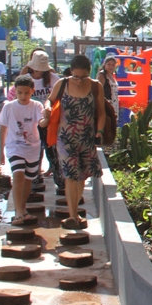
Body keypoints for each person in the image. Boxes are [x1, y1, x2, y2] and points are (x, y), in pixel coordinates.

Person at [47, 54, 107, 229]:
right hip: (65, 137)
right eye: (76, 76)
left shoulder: (95, 86)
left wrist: (99, 132)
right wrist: (46, 110)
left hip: (87, 137)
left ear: (89, 72)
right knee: (70, 175)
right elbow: (50, 101)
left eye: (83, 77)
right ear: (71, 72)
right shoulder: (62, 84)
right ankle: (72, 215)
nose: (79, 80)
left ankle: (75, 211)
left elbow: (101, 112)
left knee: (81, 176)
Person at [0, 74, 51, 224]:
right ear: (15, 91)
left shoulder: (36, 106)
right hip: (14, 147)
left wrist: (47, 118)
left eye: (26, 93)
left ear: (32, 91)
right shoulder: (8, 107)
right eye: (20, 92)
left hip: (32, 148)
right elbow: (3, 128)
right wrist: (1, 151)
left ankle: (22, 209)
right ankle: (18, 213)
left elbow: (41, 123)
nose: (23, 96)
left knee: (28, 179)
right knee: (18, 175)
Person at [25, 52, 62, 193]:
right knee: (34, 150)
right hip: (32, 120)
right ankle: (34, 179)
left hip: (50, 120)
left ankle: (60, 181)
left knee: (51, 150)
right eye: (37, 69)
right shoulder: (27, 79)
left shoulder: (53, 78)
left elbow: (60, 93)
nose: (39, 72)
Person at [96, 54, 120, 131]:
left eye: (113, 65)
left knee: (113, 124)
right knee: (107, 124)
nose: (111, 66)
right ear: (105, 64)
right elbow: (98, 90)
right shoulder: (102, 75)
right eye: (109, 64)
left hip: (114, 103)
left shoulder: (112, 75)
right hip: (107, 103)